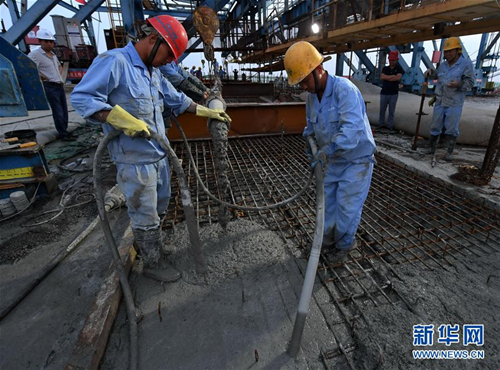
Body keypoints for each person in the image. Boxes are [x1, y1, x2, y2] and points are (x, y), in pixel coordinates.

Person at [70, 15, 231, 283]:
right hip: (135, 161)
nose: (170, 62)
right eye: (169, 54)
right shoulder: (115, 62)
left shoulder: (153, 72)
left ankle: (152, 247)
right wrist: (116, 118)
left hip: (159, 155)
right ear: (153, 39)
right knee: (144, 213)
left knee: (159, 206)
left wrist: (206, 111)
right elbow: (83, 97)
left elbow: (178, 99)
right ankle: (152, 264)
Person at [284, 41, 376, 264]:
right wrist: (309, 143)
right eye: (300, 83)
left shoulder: (345, 90)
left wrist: (327, 150)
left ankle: (344, 246)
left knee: (347, 208)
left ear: (319, 70)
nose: (303, 87)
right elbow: (311, 128)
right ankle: (325, 241)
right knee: (327, 207)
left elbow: (352, 130)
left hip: (356, 162)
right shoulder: (312, 99)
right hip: (333, 162)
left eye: (305, 80)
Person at [424, 37, 474, 161]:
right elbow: (438, 77)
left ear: (458, 50)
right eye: (446, 52)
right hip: (440, 100)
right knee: (435, 125)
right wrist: (431, 72)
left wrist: (459, 84)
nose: (448, 54)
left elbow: (470, 83)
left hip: (454, 102)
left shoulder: (466, 64)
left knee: (451, 128)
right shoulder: (444, 65)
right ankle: (431, 148)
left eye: (450, 51)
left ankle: (449, 152)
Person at [28, 29, 74, 141]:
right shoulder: (35, 55)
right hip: (49, 86)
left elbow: (59, 66)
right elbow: (28, 68)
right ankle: (63, 134)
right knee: (57, 110)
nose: (49, 44)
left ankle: (65, 131)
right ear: (40, 41)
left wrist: (60, 76)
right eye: (46, 41)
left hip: (59, 85)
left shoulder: (53, 55)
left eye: (51, 42)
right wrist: (43, 77)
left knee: (64, 110)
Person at [159, 61, 209, 130]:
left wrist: (204, 89)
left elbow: (187, 76)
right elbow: (180, 82)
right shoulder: (163, 65)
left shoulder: (171, 63)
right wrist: (201, 94)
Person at [379, 50, 404, 132]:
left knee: (391, 111)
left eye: (393, 60)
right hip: (384, 92)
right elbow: (382, 77)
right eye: (390, 60)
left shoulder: (399, 69)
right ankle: (381, 124)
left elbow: (398, 78)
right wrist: (392, 77)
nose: (391, 62)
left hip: (393, 93)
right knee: (382, 109)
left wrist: (388, 77)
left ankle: (390, 125)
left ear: (396, 60)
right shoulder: (385, 68)